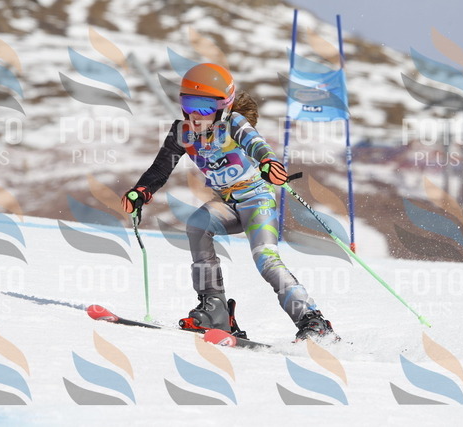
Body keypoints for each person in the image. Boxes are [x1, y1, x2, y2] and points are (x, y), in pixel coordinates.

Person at [121, 63, 338, 341]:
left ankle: (313, 320)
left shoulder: (234, 124)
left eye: (204, 107)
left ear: (223, 107)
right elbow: (160, 168)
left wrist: (268, 162)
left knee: (266, 259)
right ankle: (216, 310)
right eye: (189, 104)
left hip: (257, 201)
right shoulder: (182, 133)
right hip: (227, 204)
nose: (195, 114)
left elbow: (256, 144)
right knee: (197, 224)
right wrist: (141, 191)